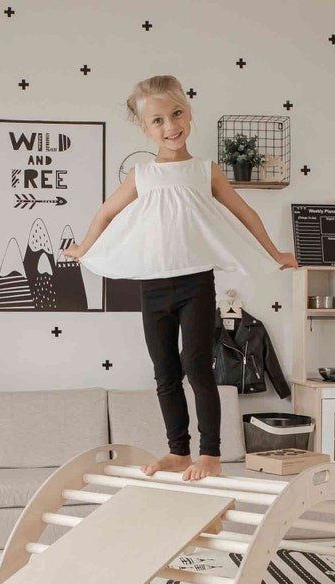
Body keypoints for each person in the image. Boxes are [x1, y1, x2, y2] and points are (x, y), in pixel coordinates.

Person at [62, 75, 299, 482]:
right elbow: (105, 214)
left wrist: (275, 253)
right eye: (158, 120)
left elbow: (245, 214)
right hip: (152, 287)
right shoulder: (141, 175)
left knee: (197, 366)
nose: (170, 126)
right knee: (165, 372)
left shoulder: (205, 171)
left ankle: (210, 453)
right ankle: (177, 451)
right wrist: (83, 248)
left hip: (195, 285)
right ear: (145, 128)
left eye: (176, 114)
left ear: (188, 113)